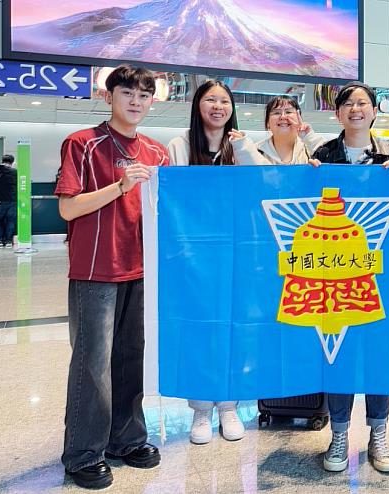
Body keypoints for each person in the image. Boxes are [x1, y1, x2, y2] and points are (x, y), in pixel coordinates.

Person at [55, 64, 168, 490]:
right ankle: (83, 453)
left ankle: (127, 438)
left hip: (142, 271)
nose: (136, 102)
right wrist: (118, 187)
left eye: (144, 95)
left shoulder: (156, 153)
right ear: (108, 97)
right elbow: (68, 208)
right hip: (95, 271)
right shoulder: (82, 143)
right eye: (127, 94)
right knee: (92, 365)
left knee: (130, 361)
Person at [309, 81, 389, 474]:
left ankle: (379, 435)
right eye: (348, 103)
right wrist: (308, 176)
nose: (355, 109)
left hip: (379, 275)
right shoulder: (323, 154)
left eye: (362, 103)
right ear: (337, 113)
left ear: (374, 111)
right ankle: (338, 435)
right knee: (339, 354)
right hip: (334, 278)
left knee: (379, 353)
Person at [167, 80, 247, 445]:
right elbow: (176, 200)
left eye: (224, 101)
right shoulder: (180, 145)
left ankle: (228, 405)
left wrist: (244, 148)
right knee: (199, 330)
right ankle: (201, 409)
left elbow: (264, 182)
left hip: (236, 256)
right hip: (194, 258)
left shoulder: (240, 145)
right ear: (198, 105)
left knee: (233, 329)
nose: (218, 106)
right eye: (210, 99)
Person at [230, 95, 325, 165]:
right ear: (267, 123)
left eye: (288, 112)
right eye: (276, 113)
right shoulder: (254, 151)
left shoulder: (310, 150)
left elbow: (330, 160)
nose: (283, 116)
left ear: (299, 117)